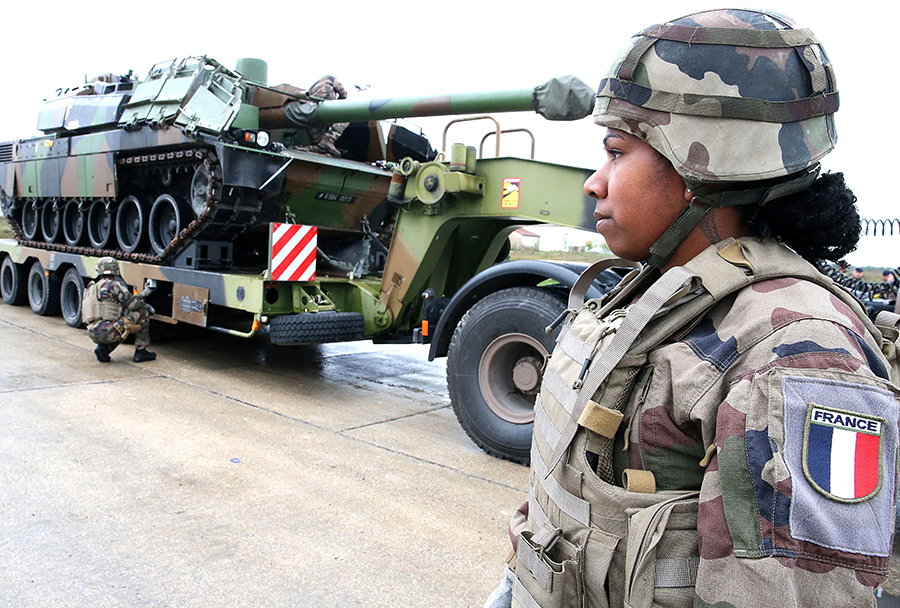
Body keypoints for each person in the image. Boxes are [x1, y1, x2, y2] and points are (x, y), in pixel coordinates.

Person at [486, 8, 898, 608]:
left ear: (698, 164)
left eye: (617, 151)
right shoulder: (662, 292)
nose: (594, 182)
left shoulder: (795, 352)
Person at [82, 257, 156, 363]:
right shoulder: (114, 285)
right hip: (108, 333)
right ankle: (141, 351)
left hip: (93, 332)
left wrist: (145, 293)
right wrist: (147, 306)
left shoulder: (93, 287)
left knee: (117, 325)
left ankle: (104, 349)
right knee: (141, 313)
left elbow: (128, 299)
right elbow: (133, 304)